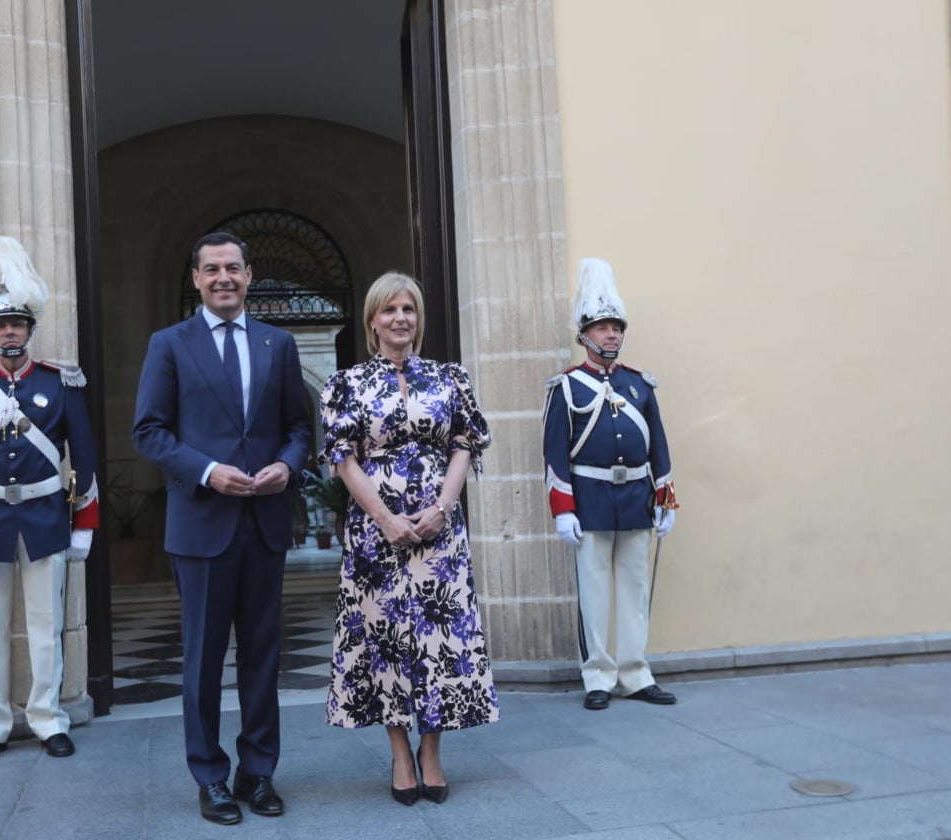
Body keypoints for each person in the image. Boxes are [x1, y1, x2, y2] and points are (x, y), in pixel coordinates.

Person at [132, 232, 311, 826]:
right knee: (204, 659)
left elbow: (298, 427)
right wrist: (207, 472)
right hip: (201, 525)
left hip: (263, 523)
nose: (223, 278)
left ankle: (257, 773)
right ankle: (209, 777)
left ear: (250, 274)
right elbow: (149, 431)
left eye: (233, 268)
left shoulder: (278, 343)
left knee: (263, 655)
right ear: (196, 279)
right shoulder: (169, 345)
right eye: (212, 270)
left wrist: (287, 463)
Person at [319, 271, 499, 807]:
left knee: (439, 641)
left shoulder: (449, 378)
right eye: (390, 309)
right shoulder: (347, 384)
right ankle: (400, 754)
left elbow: (467, 442)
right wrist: (384, 518)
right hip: (377, 536)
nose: (401, 318)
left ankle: (432, 752)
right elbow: (341, 456)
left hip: (438, 536)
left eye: (410, 310)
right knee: (386, 641)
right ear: (372, 319)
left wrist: (443, 508)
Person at [0, 236, 100, 766]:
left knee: (44, 625)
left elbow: (85, 457)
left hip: (44, 514)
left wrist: (84, 525)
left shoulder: (61, 384)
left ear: (30, 330)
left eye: (17, 324)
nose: (9, 332)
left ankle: (49, 719)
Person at [542, 257, 679, 712]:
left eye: (616, 327)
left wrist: (665, 500)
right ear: (585, 335)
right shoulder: (566, 388)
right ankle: (598, 676)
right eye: (602, 327)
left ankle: (636, 674)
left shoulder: (640, 385)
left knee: (634, 591)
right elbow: (555, 453)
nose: (612, 335)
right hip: (592, 500)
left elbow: (658, 445)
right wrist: (563, 510)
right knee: (595, 592)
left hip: (636, 499)